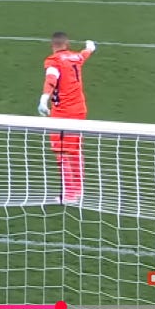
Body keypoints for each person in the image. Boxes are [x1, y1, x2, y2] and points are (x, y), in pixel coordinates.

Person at [38, 32, 97, 204]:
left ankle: (69, 194)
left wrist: (43, 99)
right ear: (67, 44)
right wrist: (90, 48)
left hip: (63, 113)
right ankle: (78, 189)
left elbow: (51, 79)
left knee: (61, 153)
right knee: (75, 150)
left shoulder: (54, 61)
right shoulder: (75, 57)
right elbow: (84, 55)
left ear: (52, 45)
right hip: (79, 110)